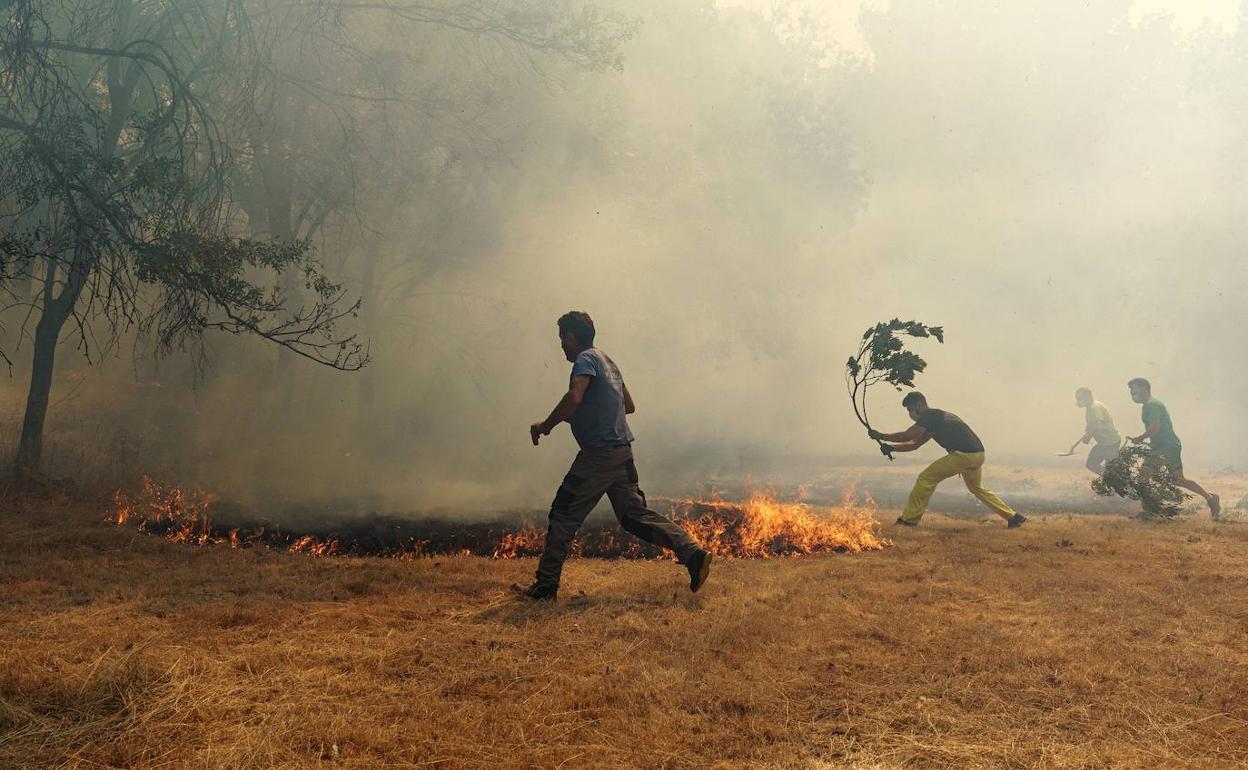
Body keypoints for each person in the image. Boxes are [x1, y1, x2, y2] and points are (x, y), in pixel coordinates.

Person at [513, 311, 712, 601]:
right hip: (622, 452)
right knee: (633, 516)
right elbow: (628, 406)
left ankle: (545, 588)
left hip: (600, 455)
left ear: (572, 336)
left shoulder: (584, 360)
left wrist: (546, 425)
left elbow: (575, 397)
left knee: (564, 514)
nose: (561, 346)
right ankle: (693, 554)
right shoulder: (609, 362)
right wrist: (587, 414)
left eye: (562, 339)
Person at [870, 392, 1025, 528]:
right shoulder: (937, 418)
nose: (910, 413)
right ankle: (1013, 517)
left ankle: (909, 521)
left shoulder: (931, 416)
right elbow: (915, 444)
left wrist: (881, 436)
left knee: (926, 478)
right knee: (977, 488)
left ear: (920, 404)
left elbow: (907, 435)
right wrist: (891, 448)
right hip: (977, 455)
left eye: (910, 409)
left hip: (963, 455)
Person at [1126, 377, 1220, 519]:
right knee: (1178, 480)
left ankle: (1149, 511)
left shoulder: (1151, 405)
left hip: (1165, 445)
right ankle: (1210, 498)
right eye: (1131, 391)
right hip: (1167, 445)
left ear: (1144, 388)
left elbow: (1155, 428)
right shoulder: (1149, 405)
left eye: (1135, 390)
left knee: (1145, 474)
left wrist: (1140, 438)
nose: (1133, 393)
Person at [1073, 387, 1121, 475]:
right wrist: (1088, 431)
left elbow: (1098, 426)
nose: (1078, 401)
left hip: (1111, 443)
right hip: (1103, 443)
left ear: (1087, 397)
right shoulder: (1089, 407)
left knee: (1112, 468)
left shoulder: (1095, 407)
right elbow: (1093, 424)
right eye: (1077, 399)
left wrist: (1088, 437)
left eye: (1079, 398)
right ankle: (1109, 477)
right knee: (1091, 464)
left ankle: (1114, 480)